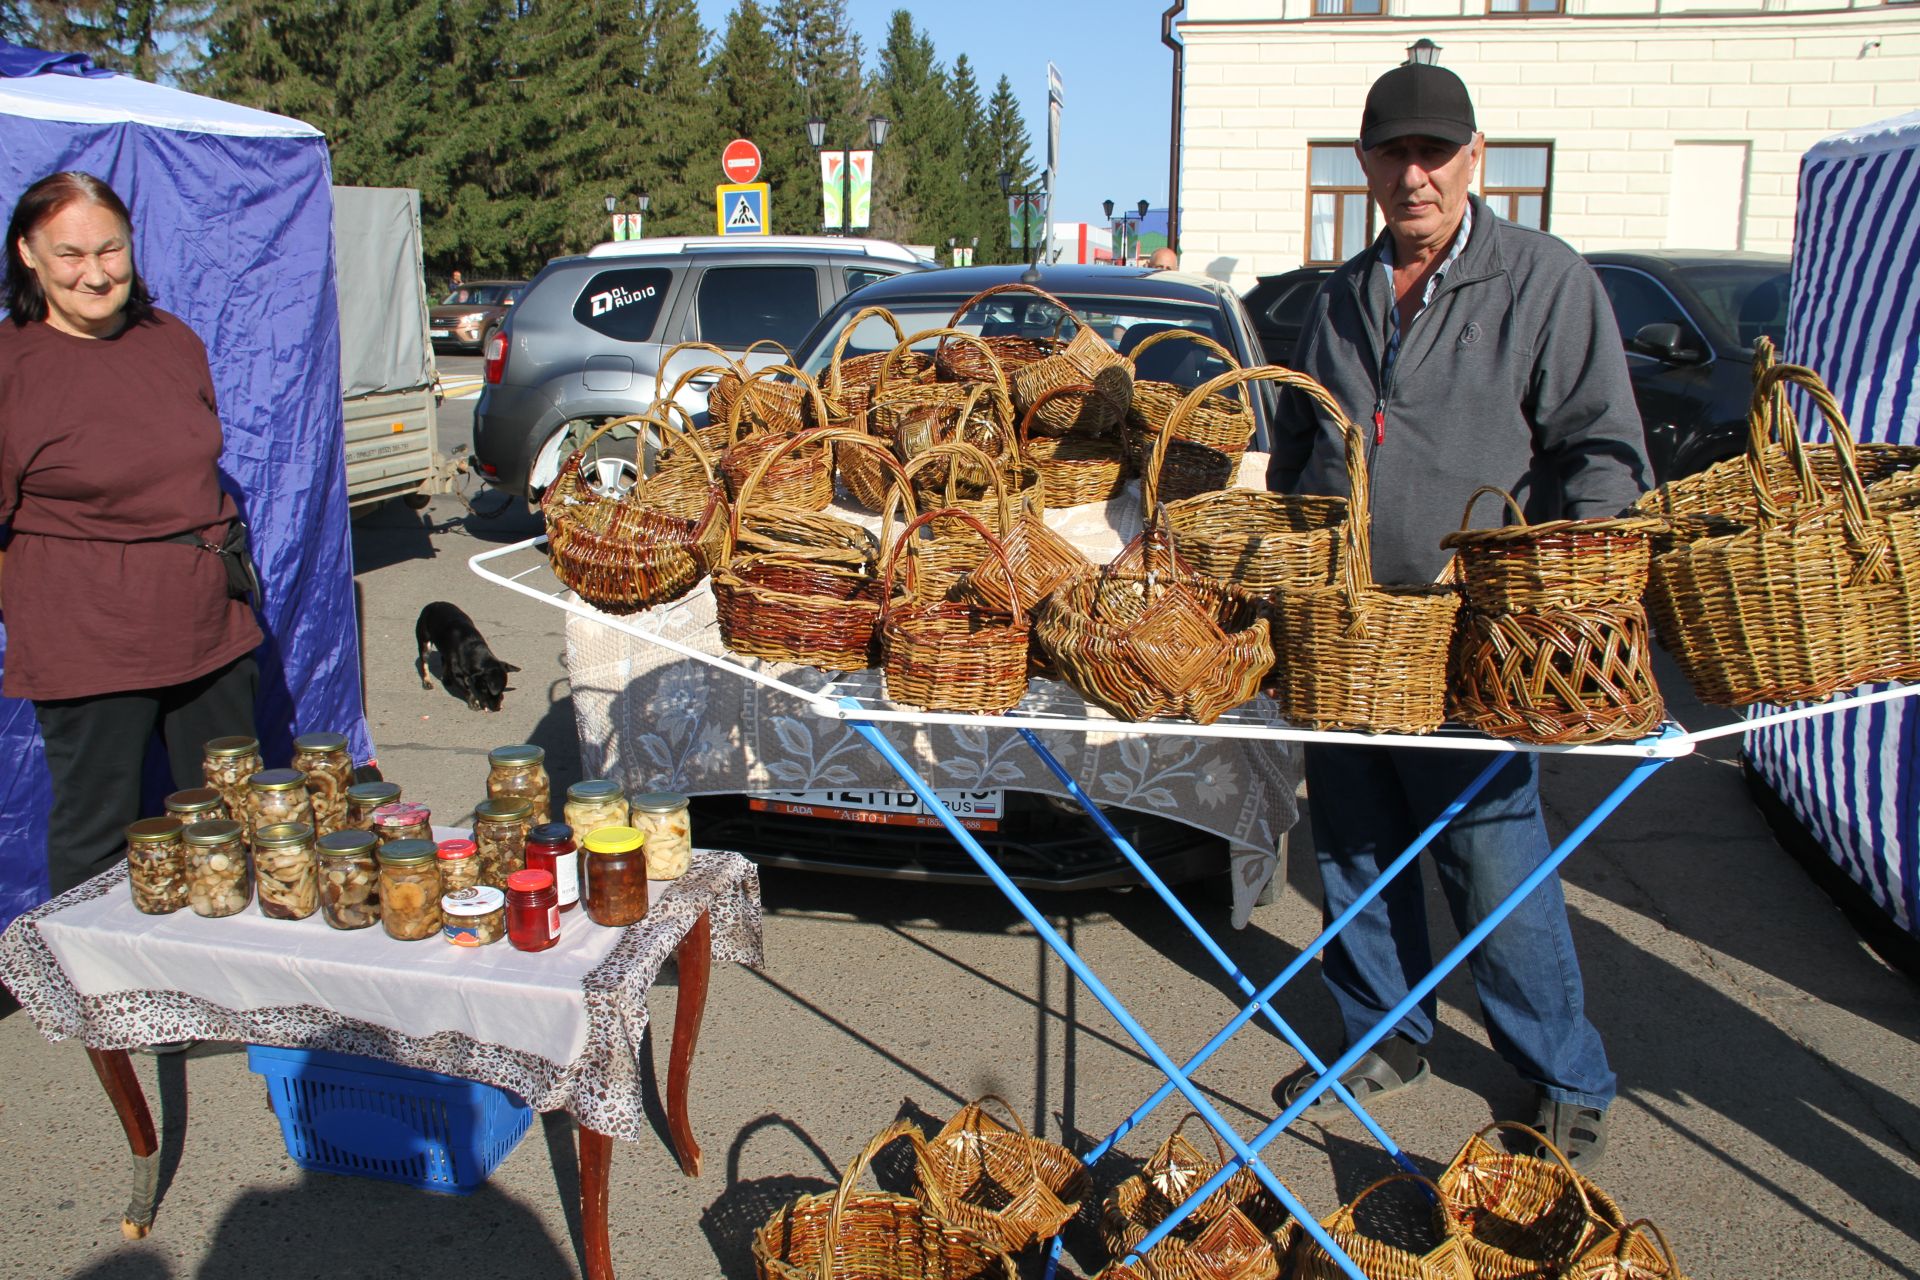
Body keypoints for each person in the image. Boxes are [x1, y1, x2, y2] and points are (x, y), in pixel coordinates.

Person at [1265, 64, 1650, 1169]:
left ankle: (1565, 1070)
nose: (1415, 173)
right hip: (1347, 640)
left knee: (1493, 857)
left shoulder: (1543, 280)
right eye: (1394, 153)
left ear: (1477, 157)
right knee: (1357, 845)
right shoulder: (1335, 298)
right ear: (1367, 165)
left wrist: (1573, 600)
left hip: (1476, 639)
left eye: (1436, 151)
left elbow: (1601, 451)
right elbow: (1297, 454)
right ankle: (1384, 1031)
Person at [1, 171, 261, 898]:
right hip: (89, 642)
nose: (95, 273)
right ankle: (88, 1004)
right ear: (28, 254)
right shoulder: (10, 368)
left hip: (209, 627)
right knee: (96, 832)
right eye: (70, 255)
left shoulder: (171, 339)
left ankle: (226, 994)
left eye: (110, 250)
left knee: (228, 821)